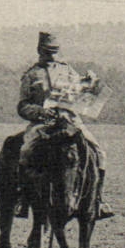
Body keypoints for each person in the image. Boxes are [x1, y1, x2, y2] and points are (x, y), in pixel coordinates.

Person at [16, 31, 113, 219]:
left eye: (54, 51)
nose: (51, 55)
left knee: (99, 152)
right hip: (43, 124)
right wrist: (39, 112)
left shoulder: (68, 71)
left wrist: (90, 84)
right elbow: (22, 105)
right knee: (26, 151)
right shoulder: (31, 75)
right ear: (39, 50)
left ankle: (98, 200)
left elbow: (80, 92)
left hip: (70, 121)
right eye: (47, 51)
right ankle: (23, 199)